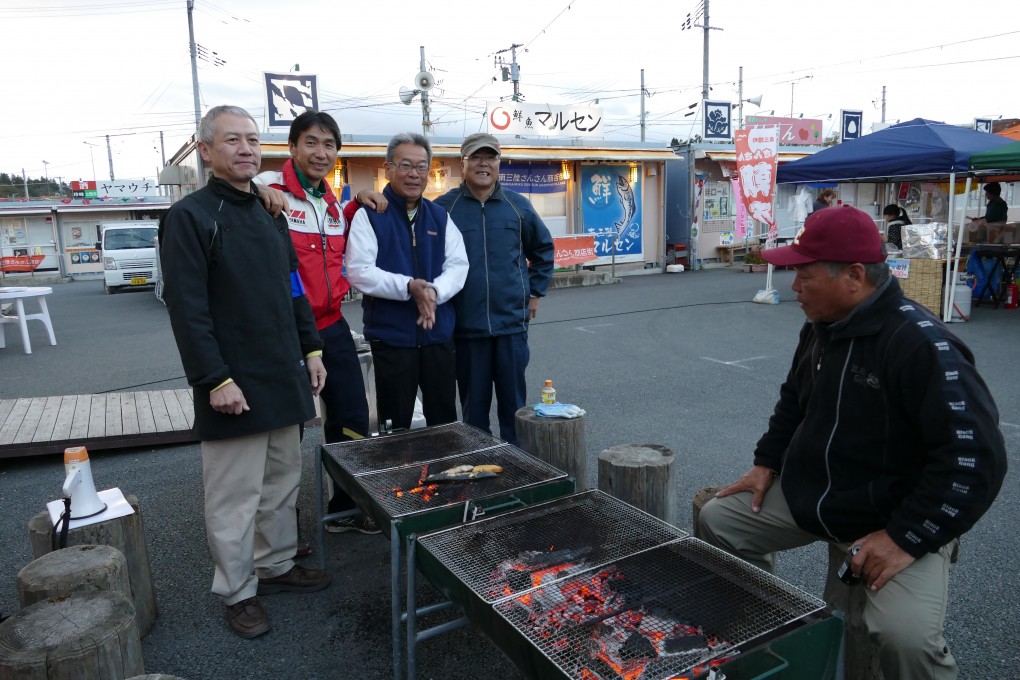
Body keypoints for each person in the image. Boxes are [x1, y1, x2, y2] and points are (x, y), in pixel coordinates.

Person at [698, 206, 1007, 680]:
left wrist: (906, 537)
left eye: (804, 275)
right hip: (816, 496)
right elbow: (793, 401)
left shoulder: (920, 345)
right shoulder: (823, 325)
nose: (794, 287)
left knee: (907, 638)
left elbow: (975, 460)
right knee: (719, 520)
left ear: (855, 276)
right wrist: (766, 462)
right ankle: (773, 630)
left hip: (893, 517)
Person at [160, 105, 332, 639]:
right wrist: (214, 379)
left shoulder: (269, 211)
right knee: (234, 496)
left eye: (253, 140)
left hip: (282, 371)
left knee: (282, 482)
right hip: (232, 378)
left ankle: (275, 564)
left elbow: (294, 287)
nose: (245, 149)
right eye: (231, 140)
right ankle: (237, 590)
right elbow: (187, 310)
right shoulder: (188, 217)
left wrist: (312, 350)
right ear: (206, 151)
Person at [255, 110, 385, 535]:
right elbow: (239, 192)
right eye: (311, 142)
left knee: (351, 413)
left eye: (329, 145)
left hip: (331, 324)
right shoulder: (267, 190)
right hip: (283, 330)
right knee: (285, 430)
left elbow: (340, 245)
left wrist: (356, 203)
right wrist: (256, 192)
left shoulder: (331, 204)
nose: (321, 152)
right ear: (292, 148)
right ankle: (280, 531)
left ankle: (346, 507)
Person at [433, 133, 554, 445]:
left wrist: (535, 292)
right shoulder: (445, 208)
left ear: (499, 163)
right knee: (474, 413)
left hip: (511, 326)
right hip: (466, 327)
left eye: (490, 157)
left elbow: (543, 250)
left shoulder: (517, 206)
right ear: (463, 163)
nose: (483, 164)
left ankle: (520, 471)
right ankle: (481, 475)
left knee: (515, 408)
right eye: (475, 157)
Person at [345, 132, 468, 431]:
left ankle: (445, 476)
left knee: (444, 423)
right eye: (405, 165)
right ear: (388, 169)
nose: (414, 174)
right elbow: (359, 270)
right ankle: (401, 477)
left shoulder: (440, 216)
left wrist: (433, 292)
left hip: (437, 337)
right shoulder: (370, 215)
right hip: (392, 339)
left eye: (422, 166)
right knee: (395, 426)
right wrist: (408, 287)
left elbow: (458, 265)